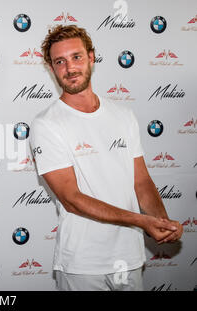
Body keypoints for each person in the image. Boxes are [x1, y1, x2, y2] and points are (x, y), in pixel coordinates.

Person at [30, 25, 183, 291]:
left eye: (76, 57)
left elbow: (142, 181)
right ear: (51, 68)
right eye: (60, 61)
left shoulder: (123, 115)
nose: (70, 68)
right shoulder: (47, 124)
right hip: (83, 264)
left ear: (91, 57)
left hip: (129, 258)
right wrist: (141, 221)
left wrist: (161, 222)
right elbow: (72, 199)